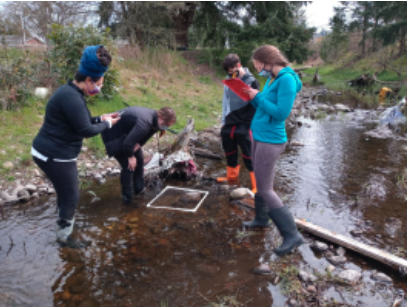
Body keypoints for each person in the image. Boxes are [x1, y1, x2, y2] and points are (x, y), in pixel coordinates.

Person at [32, 45, 120, 245]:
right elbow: (86, 130)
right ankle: (64, 238)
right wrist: (106, 124)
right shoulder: (72, 98)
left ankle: (64, 222)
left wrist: (101, 118)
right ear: (88, 80)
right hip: (54, 155)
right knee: (71, 196)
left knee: (65, 192)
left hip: (49, 152)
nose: (100, 87)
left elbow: (83, 121)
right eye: (99, 83)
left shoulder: (70, 92)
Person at [243, 45, 304, 256]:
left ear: (267, 61)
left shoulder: (286, 79)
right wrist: (254, 97)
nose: (257, 69)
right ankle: (261, 219)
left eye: (257, 65)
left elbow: (280, 113)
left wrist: (257, 97)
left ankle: (292, 236)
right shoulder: (273, 78)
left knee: (266, 188)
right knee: (259, 184)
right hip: (259, 135)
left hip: (271, 140)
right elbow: (265, 105)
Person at [101, 106, 176, 202]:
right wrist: (130, 156)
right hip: (113, 132)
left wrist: (134, 152)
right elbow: (128, 144)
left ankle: (139, 191)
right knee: (129, 166)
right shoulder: (145, 123)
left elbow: (141, 141)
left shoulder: (155, 122)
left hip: (126, 135)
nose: (167, 127)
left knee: (139, 161)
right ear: (161, 119)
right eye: (167, 125)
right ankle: (127, 200)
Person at [217, 54, 260, 193]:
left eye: (233, 72)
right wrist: (224, 121)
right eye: (229, 73)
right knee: (229, 152)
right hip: (229, 122)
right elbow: (226, 102)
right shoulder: (229, 81)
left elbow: (255, 105)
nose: (232, 75)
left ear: (239, 65)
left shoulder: (252, 81)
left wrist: (248, 125)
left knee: (248, 155)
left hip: (245, 124)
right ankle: (232, 179)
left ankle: (256, 185)